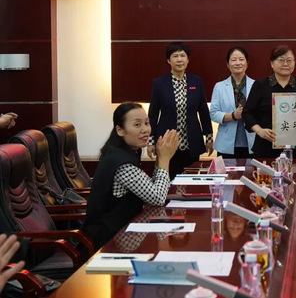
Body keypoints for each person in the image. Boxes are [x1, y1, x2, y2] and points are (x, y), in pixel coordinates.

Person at [83, 102, 179, 249]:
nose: (145, 129)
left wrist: (161, 158)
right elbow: (158, 198)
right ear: (120, 130)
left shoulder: (126, 152)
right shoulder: (122, 164)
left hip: (128, 229)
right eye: (137, 125)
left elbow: (150, 190)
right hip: (110, 242)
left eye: (147, 123)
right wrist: (165, 159)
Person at [147, 42, 213, 178]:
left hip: (192, 141)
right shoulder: (159, 83)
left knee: (191, 178)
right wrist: (151, 142)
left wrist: (209, 138)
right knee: (167, 178)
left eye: (182, 56)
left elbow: (203, 112)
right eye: (175, 56)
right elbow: (153, 115)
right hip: (167, 141)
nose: (179, 59)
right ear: (168, 60)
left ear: (188, 60)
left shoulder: (197, 82)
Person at [243, 45, 296, 158]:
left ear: (294, 63)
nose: (285, 64)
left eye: (289, 60)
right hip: (265, 147)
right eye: (281, 60)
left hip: (295, 149)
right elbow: (247, 113)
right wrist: (259, 130)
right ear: (272, 63)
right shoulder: (260, 85)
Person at [210, 47, 256, 158]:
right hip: (226, 144)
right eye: (234, 60)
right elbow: (213, 113)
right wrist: (233, 115)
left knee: (251, 169)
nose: (238, 63)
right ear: (228, 64)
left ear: (247, 63)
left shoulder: (256, 85)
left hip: (252, 142)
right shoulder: (219, 87)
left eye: (241, 59)